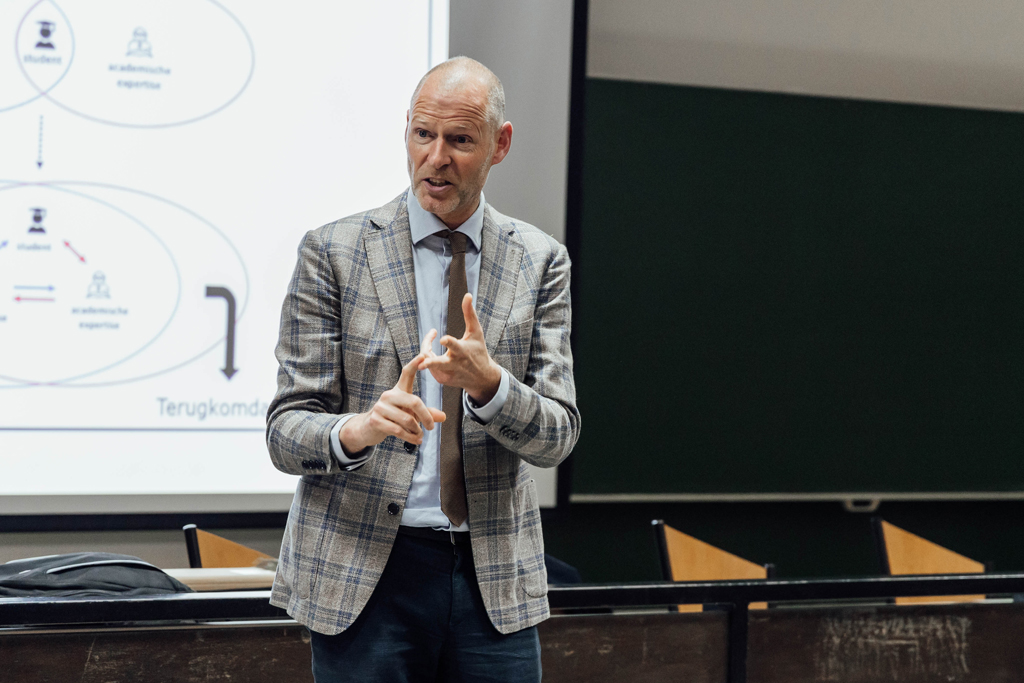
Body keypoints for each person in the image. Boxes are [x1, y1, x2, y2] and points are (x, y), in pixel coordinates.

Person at [266, 56, 580, 682]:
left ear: (500, 145)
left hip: (493, 578)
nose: (435, 158)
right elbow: (284, 431)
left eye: (460, 140)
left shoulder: (540, 261)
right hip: (364, 574)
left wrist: (491, 388)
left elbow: (558, 436)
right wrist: (359, 429)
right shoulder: (333, 252)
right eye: (422, 134)